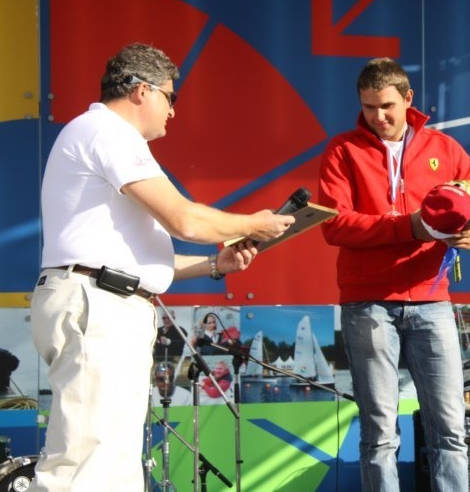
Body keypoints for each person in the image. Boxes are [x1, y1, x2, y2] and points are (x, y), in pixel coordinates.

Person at [29, 43, 295, 492]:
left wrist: (216, 264)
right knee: (85, 465)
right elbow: (185, 220)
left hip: (103, 297)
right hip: (99, 304)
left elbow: (137, 259)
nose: (173, 110)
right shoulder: (109, 132)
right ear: (141, 90)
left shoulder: (99, 135)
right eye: (170, 97)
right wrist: (257, 223)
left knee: (108, 464)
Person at [318, 57, 470, 491]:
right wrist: (411, 226)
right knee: (380, 432)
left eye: (386, 106)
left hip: (432, 300)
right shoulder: (343, 150)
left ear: (408, 99)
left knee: (450, 428)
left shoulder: (445, 148)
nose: (378, 116)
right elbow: (333, 225)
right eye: (368, 108)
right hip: (368, 303)